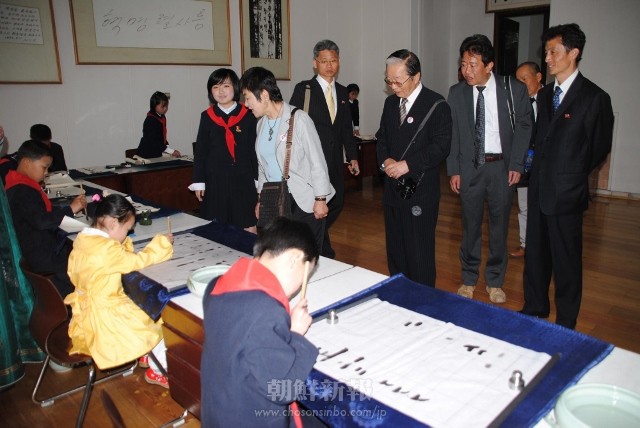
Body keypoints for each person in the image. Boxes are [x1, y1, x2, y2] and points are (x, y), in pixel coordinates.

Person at [521, 23, 614, 329]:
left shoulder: (594, 97)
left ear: (574, 53)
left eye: (553, 52)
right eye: (546, 52)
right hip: (539, 189)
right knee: (535, 254)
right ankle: (535, 307)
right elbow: (540, 138)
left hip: (567, 192)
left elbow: (599, 147)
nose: (547, 58)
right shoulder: (546, 95)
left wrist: (570, 173)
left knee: (566, 260)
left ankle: (565, 320)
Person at [201, 217, 319, 427]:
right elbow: (282, 389)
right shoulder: (266, 311)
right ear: (294, 259)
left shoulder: (217, 285)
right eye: (305, 276)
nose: (302, 284)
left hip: (219, 410)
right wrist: (296, 335)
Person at [446, 34, 532, 303]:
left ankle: (495, 281)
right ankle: (469, 278)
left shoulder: (513, 89)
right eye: (463, 64)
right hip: (470, 168)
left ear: (489, 65)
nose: (466, 71)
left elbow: (525, 126)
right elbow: (453, 133)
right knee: (470, 227)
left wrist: (516, 163)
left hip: (501, 168)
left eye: (473, 65)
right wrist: (454, 169)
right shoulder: (457, 93)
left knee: (499, 227)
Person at [64, 194, 174, 387]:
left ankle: (146, 354)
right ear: (114, 223)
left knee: (141, 307)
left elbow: (114, 259)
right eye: (127, 230)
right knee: (155, 318)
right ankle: (158, 371)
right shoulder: (106, 250)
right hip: (105, 317)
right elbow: (138, 261)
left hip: (86, 313)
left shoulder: (83, 240)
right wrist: (162, 244)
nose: (127, 234)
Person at [376, 49, 452, 287]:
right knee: (396, 249)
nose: (393, 87)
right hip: (393, 189)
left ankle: (423, 299)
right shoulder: (391, 103)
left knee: (419, 252)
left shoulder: (436, 104)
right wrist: (386, 161)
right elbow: (382, 138)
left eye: (398, 81)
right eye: (389, 81)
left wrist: (407, 165)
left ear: (416, 76)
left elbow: (441, 146)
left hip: (420, 190)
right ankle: (399, 293)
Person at [240, 66, 335, 252]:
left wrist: (321, 198)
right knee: (283, 253)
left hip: (303, 200)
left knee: (307, 254)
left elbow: (317, 161)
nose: (246, 104)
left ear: (264, 95)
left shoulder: (299, 119)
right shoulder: (261, 124)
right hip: (277, 199)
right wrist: (261, 199)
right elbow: (262, 167)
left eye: (248, 97)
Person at [290, 40, 359, 259]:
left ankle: (312, 238)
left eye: (333, 61)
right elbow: (293, 123)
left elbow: (346, 128)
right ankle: (322, 249)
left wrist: (353, 156)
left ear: (339, 62)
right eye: (324, 61)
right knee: (317, 203)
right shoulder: (304, 89)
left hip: (335, 159)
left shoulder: (342, 91)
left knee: (336, 201)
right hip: (312, 160)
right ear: (315, 63)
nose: (329, 66)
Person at [4, 140, 86, 297]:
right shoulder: (22, 190)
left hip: (36, 250)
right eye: (44, 167)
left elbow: (39, 211)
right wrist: (70, 209)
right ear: (27, 163)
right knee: (83, 263)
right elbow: (41, 221)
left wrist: (66, 210)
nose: (46, 172)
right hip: (40, 255)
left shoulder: (19, 184)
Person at [190, 68, 258, 232]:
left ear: (235, 87)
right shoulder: (207, 116)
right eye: (215, 87)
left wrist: (258, 181)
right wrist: (199, 181)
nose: (220, 91)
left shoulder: (248, 115)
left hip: (243, 180)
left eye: (226, 86)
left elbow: (254, 151)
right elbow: (201, 152)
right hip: (215, 181)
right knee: (217, 228)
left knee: (248, 225)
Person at [511, 61, 543, 258]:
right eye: (518, 81)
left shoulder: (551, 99)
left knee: (543, 206)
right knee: (524, 205)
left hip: (545, 165)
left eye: (525, 79)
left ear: (538, 77)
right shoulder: (516, 103)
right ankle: (525, 245)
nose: (521, 84)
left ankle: (542, 246)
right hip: (524, 164)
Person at [136, 91, 182, 159]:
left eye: (166, 106)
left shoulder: (162, 117)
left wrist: (168, 149)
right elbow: (154, 141)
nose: (165, 108)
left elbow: (162, 136)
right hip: (147, 154)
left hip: (156, 153)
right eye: (163, 106)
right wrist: (171, 151)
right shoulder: (150, 120)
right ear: (154, 105)